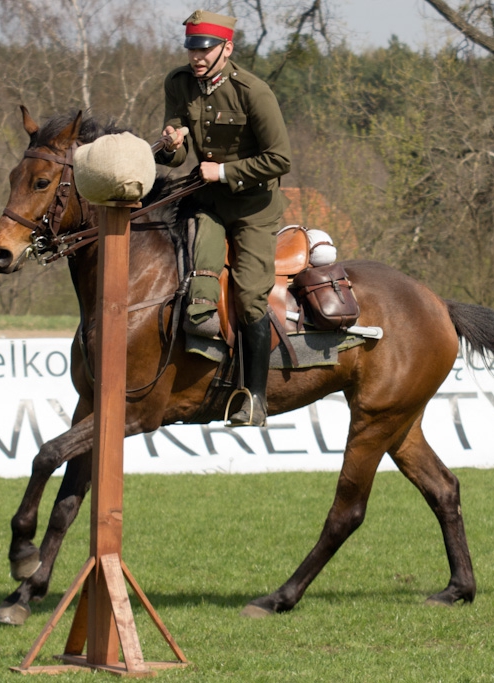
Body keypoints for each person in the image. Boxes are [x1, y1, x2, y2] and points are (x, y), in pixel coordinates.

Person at [156, 9, 291, 427]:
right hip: (209, 202)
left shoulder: (253, 91)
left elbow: (280, 158)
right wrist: (171, 144)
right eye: (192, 48)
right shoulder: (179, 84)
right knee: (194, 277)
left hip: (254, 208)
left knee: (250, 296)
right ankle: (197, 375)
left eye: (206, 48)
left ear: (226, 49)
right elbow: (176, 153)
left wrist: (226, 171)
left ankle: (255, 398)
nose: (197, 57)